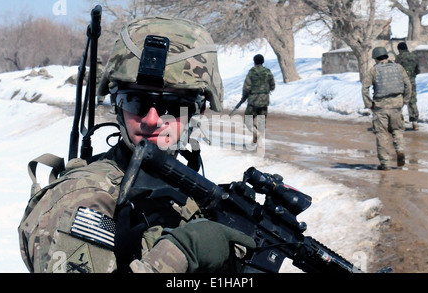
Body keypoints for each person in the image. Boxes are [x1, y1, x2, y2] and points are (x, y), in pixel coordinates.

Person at [18, 16, 255, 273]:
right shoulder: (86, 198)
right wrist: (179, 253)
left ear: (199, 110)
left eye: (174, 106)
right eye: (136, 101)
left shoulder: (185, 190)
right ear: (117, 104)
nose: (152, 120)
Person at [362, 47, 411, 171]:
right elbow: (408, 85)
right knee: (397, 131)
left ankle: (385, 163)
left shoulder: (373, 70)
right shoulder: (398, 68)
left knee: (382, 135)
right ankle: (400, 150)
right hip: (397, 106)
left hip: (381, 107)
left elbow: (365, 88)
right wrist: (405, 100)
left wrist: (369, 104)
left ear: (376, 58)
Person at [235, 54, 275, 143]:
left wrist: (243, 98)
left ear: (254, 61)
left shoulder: (252, 72)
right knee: (262, 120)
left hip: (253, 101)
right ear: (263, 61)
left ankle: (255, 132)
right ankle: (258, 136)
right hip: (264, 101)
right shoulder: (268, 72)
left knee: (248, 119)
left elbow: (246, 87)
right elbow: (272, 86)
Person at [395, 42, 420, 130]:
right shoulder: (414, 56)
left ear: (400, 49)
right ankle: (415, 122)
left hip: (402, 83)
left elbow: (396, 70)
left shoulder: (399, 57)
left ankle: (398, 122)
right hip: (412, 81)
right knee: (412, 101)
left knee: (400, 101)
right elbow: (418, 70)